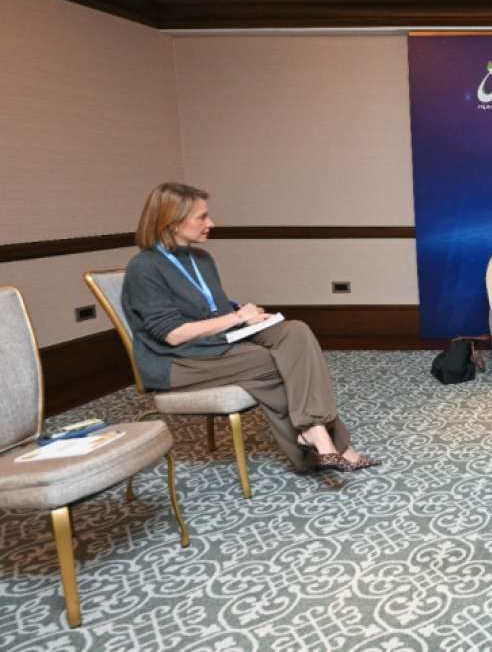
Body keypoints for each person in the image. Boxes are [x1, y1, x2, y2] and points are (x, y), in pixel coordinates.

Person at [122, 182, 377, 473]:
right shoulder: (144, 267)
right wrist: (236, 318)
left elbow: (213, 307)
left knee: (296, 332)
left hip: (217, 343)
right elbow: (173, 334)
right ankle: (330, 444)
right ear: (172, 222)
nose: (211, 223)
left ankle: (313, 431)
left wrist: (248, 317)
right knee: (273, 362)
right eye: (202, 217)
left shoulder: (201, 258)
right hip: (177, 360)